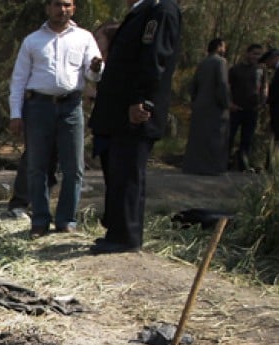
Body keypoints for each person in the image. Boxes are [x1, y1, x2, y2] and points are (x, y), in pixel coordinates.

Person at [89, 0, 180, 254]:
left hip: (136, 111)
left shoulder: (160, 10)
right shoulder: (141, 11)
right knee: (118, 173)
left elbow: (155, 60)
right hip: (120, 112)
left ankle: (127, 236)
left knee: (129, 174)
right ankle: (117, 231)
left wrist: (143, 100)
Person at [9, 0, 102, 238]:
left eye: (67, 4)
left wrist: (96, 68)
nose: (63, 9)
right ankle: (40, 220)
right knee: (37, 166)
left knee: (74, 167)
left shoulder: (84, 38)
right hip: (39, 107)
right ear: (47, 8)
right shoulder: (33, 41)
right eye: (57, 4)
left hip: (71, 107)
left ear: (74, 8)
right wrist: (16, 114)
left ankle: (66, 220)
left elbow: (93, 73)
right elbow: (19, 80)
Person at [182, 39, 230, 176]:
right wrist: (226, 103)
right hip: (215, 107)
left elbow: (192, 86)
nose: (225, 50)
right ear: (219, 47)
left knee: (198, 139)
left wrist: (195, 101)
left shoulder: (203, 63)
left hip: (199, 106)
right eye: (224, 47)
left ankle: (193, 166)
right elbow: (222, 84)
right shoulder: (220, 62)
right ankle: (213, 168)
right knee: (216, 138)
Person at [229, 44, 266, 172]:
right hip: (236, 109)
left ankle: (243, 166)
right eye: (254, 53)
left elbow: (263, 87)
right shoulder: (235, 69)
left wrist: (262, 102)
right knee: (229, 136)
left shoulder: (261, 70)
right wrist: (230, 103)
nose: (256, 56)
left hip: (252, 110)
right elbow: (227, 87)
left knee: (247, 139)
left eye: (259, 54)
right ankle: (224, 163)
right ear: (247, 53)